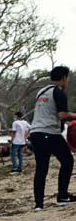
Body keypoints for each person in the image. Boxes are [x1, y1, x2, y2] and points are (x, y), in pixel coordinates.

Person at [30, 66, 76, 210]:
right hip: (50, 133)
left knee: (41, 168)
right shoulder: (58, 92)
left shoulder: (41, 92)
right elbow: (62, 115)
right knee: (68, 161)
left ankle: (39, 204)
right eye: (67, 78)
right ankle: (62, 196)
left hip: (35, 133)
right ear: (63, 78)